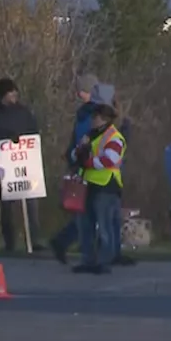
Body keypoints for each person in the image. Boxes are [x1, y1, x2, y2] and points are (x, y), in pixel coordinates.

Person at [49, 81, 137, 267]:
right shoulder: (93, 125)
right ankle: (96, 256)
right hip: (96, 180)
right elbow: (91, 151)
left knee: (99, 221)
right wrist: (84, 159)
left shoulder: (98, 126)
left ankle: (105, 256)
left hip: (101, 180)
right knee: (93, 221)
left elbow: (104, 152)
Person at [0, 78, 44, 253]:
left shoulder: (24, 113)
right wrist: (6, 136)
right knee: (8, 205)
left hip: (27, 164)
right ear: (3, 94)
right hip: (5, 166)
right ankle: (10, 242)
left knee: (31, 203)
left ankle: (34, 239)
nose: (14, 96)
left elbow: (34, 132)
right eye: (11, 93)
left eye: (15, 92)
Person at [71, 101, 127, 274]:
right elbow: (74, 154)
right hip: (88, 185)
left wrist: (87, 162)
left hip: (106, 186)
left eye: (95, 117)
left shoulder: (114, 137)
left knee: (104, 227)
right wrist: (80, 153)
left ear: (104, 119)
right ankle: (88, 261)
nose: (92, 120)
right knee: (85, 225)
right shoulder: (90, 135)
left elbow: (110, 160)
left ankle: (104, 262)